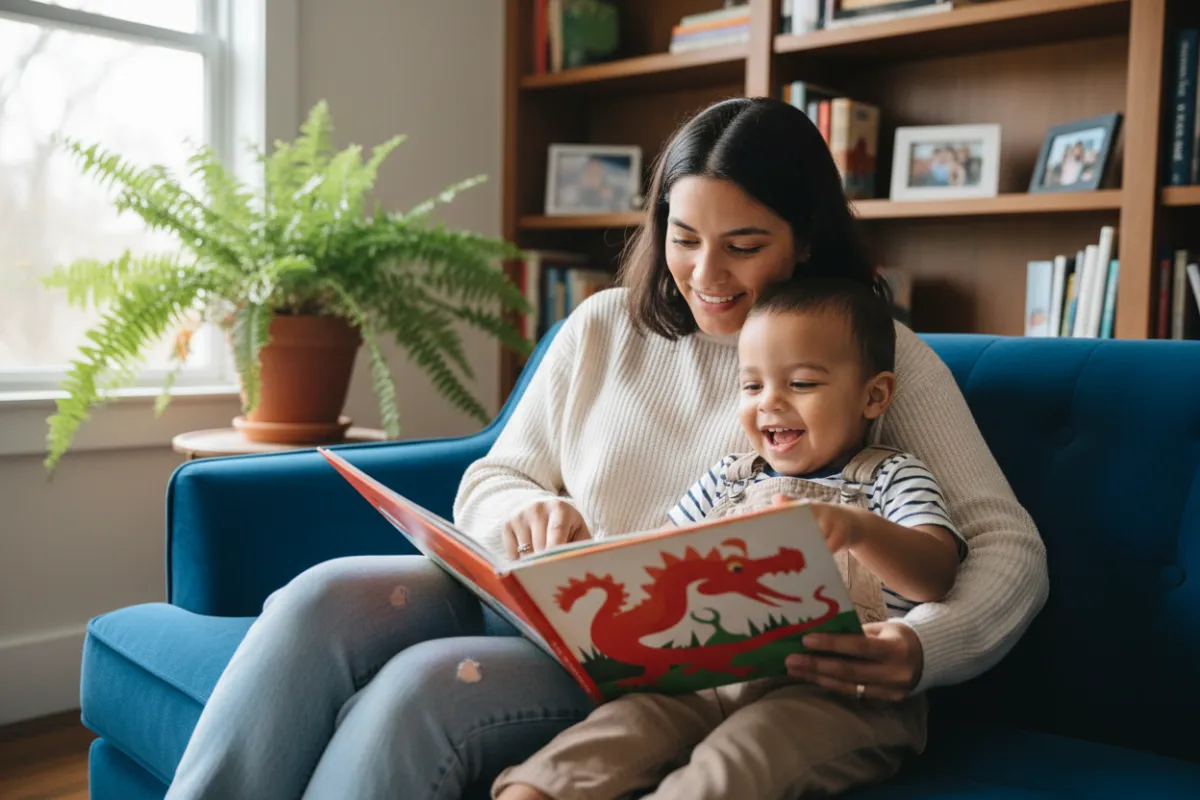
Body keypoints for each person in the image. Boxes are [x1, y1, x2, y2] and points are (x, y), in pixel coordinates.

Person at [164, 97, 1047, 800]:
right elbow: (494, 477)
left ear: (806, 238)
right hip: (540, 603)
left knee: (418, 692)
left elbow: (1004, 547)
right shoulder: (600, 328)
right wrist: (526, 509)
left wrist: (925, 648)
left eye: (743, 247)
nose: (704, 276)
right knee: (315, 598)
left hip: (657, 664)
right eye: (684, 238)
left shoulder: (874, 361)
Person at [491, 277, 967, 800]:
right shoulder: (729, 477)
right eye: (752, 386)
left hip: (841, 693)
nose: (771, 403)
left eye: (802, 384)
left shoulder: (891, 477)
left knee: (741, 757)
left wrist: (859, 529)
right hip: (708, 676)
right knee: (615, 731)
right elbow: (659, 561)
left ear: (873, 395)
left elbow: (936, 575)